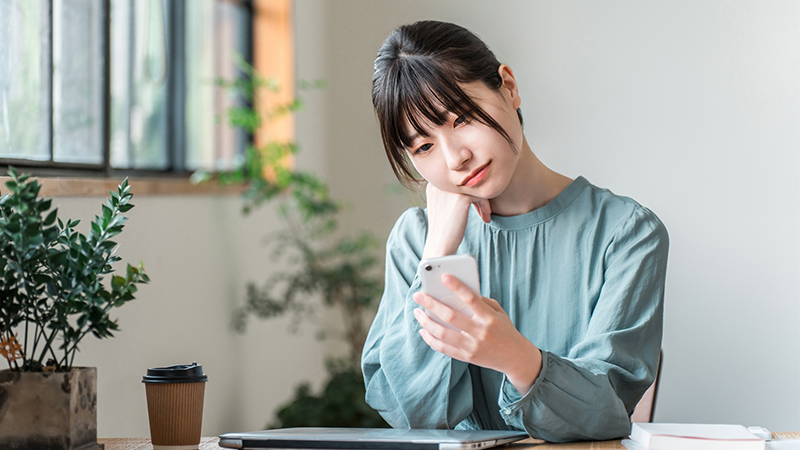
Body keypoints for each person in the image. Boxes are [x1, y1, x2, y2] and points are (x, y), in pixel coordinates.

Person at [361, 20, 669, 443]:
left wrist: (516, 356)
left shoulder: (625, 233)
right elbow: (410, 414)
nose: (455, 158)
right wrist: (439, 251)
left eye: (463, 118)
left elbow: (606, 412)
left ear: (508, 87)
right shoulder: (417, 238)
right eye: (424, 146)